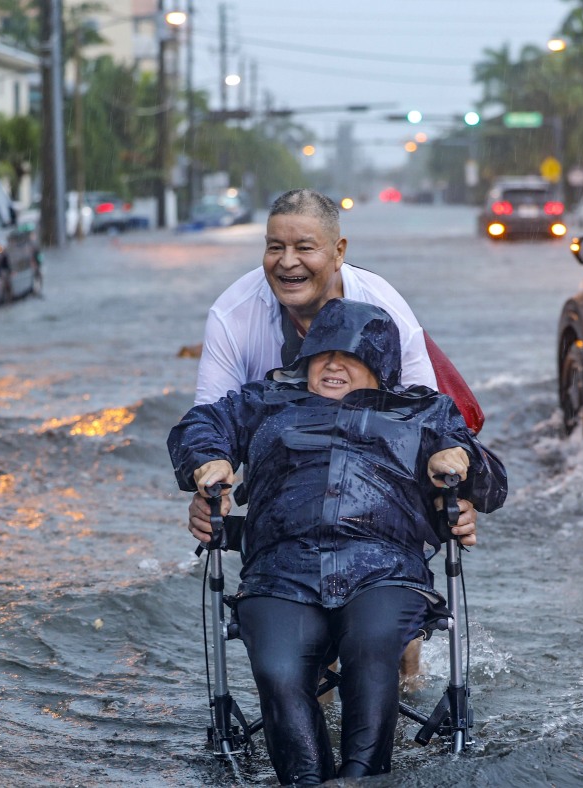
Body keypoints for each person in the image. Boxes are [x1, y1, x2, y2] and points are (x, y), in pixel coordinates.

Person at [169, 299, 508, 784]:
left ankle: (361, 779)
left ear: (381, 366)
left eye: (350, 356)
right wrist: (208, 460)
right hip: (279, 571)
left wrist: (459, 458)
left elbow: (494, 486)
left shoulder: (425, 412)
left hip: (385, 570)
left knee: (372, 649)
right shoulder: (264, 401)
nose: (332, 365)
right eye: (322, 354)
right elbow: (198, 425)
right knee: (279, 668)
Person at [186, 188, 479, 546]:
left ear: (339, 252)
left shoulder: (383, 307)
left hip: (376, 498)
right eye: (275, 247)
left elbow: (425, 416)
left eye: (304, 248)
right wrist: (208, 478)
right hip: (285, 493)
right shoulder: (233, 314)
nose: (287, 261)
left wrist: (451, 494)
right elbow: (211, 419)